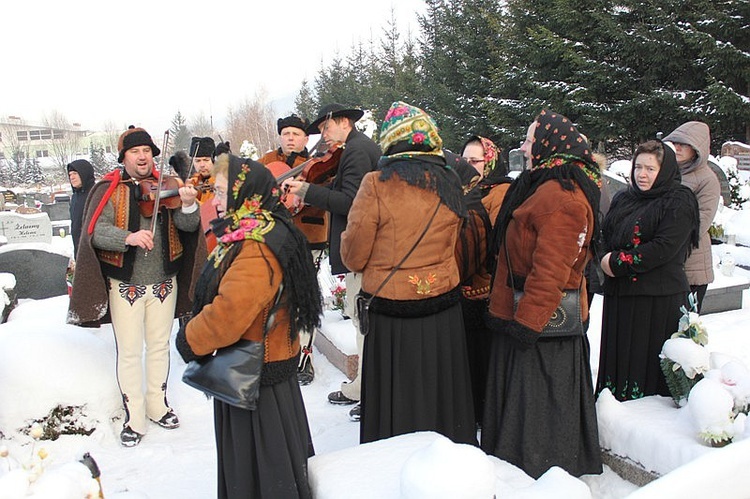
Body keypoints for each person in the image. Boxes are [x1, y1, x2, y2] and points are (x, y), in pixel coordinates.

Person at [176, 154, 322, 499]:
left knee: (263, 473)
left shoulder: (256, 245)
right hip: (258, 370)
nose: (215, 200)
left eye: (224, 192)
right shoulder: (254, 229)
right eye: (216, 190)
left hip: (255, 378)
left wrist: (189, 339)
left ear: (249, 194)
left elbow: (230, 313)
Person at [340, 101, 476, 445]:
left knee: (397, 398)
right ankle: (448, 451)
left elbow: (354, 256)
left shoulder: (376, 184)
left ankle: (394, 458)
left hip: (393, 315)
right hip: (443, 309)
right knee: (441, 392)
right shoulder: (450, 181)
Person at [67, 126, 206, 447]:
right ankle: (135, 415)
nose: (142, 157)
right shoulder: (110, 189)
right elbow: (96, 232)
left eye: (147, 151)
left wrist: (187, 205)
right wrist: (127, 238)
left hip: (163, 283)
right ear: (125, 157)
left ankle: (158, 405)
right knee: (130, 352)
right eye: (135, 152)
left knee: (159, 346)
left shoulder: (168, 185)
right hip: (125, 284)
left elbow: (187, 227)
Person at [482, 110, 603, 478]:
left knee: (540, 405)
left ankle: (545, 468)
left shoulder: (562, 196)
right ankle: (520, 461)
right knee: (526, 403)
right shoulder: (545, 184)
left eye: (531, 140)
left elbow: (551, 271)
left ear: (550, 144)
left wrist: (527, 324)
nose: (524, 146)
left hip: (541, 325)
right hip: (523, 314)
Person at [282, 103, 381, 416]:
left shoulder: (356, 150)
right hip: (364, 251)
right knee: (361, 322)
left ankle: (368, 392)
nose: (323, 136)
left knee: (364, 324)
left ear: (342, 122)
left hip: (365, 253)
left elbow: (352, 201)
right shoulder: (354, 149)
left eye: (324, 128)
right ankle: (363, 386)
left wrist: (307, 190)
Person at [596, 140, 700, 401]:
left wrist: (617, 263)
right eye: (638, 167)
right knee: (621, 359)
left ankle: (645, 424)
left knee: (646, 365)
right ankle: (614, 412)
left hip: (656, 299)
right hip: (622, 296)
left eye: (650, 169)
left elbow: (664, 247)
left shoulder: (678, 200)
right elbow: (606, 233)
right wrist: (603, 257)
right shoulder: (625, 198)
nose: (641, 174)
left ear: (664, 171)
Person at [258, 114, 320, 386]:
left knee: (304, 296)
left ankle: (304, 358)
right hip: (274, 237)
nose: (290, 138)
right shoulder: (266, 161)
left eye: (296, 134)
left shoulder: (318, 164)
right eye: (286, 134)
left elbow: (328, 195)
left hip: (309, 235)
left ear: (306, 138)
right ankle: (278, 351)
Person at [457, 135, 512, 425]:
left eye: (475, 161)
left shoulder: (499, 191)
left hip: (483, 287)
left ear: (489, 163)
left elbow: (491, 238)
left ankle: (483, 413)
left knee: (481, 355)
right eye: (464, 160)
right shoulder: (463, 189)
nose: (469, 166)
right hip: (463, 287)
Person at [663, 121, 720, 313]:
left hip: (691, 262)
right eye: (675, 142)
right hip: (665, 261)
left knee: (685, 324)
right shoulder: (666, 172)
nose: (677, 147)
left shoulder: (706, 179)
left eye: (684, 144)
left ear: (697, 148)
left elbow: (702, 219)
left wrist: (666, 241)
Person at [66, 159, 96, 258]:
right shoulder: (75, 197)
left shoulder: (95, 194)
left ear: (84, 173)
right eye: (70, 175)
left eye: (75, 173)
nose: (72, 177)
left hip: (94, 250)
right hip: (79, 249)